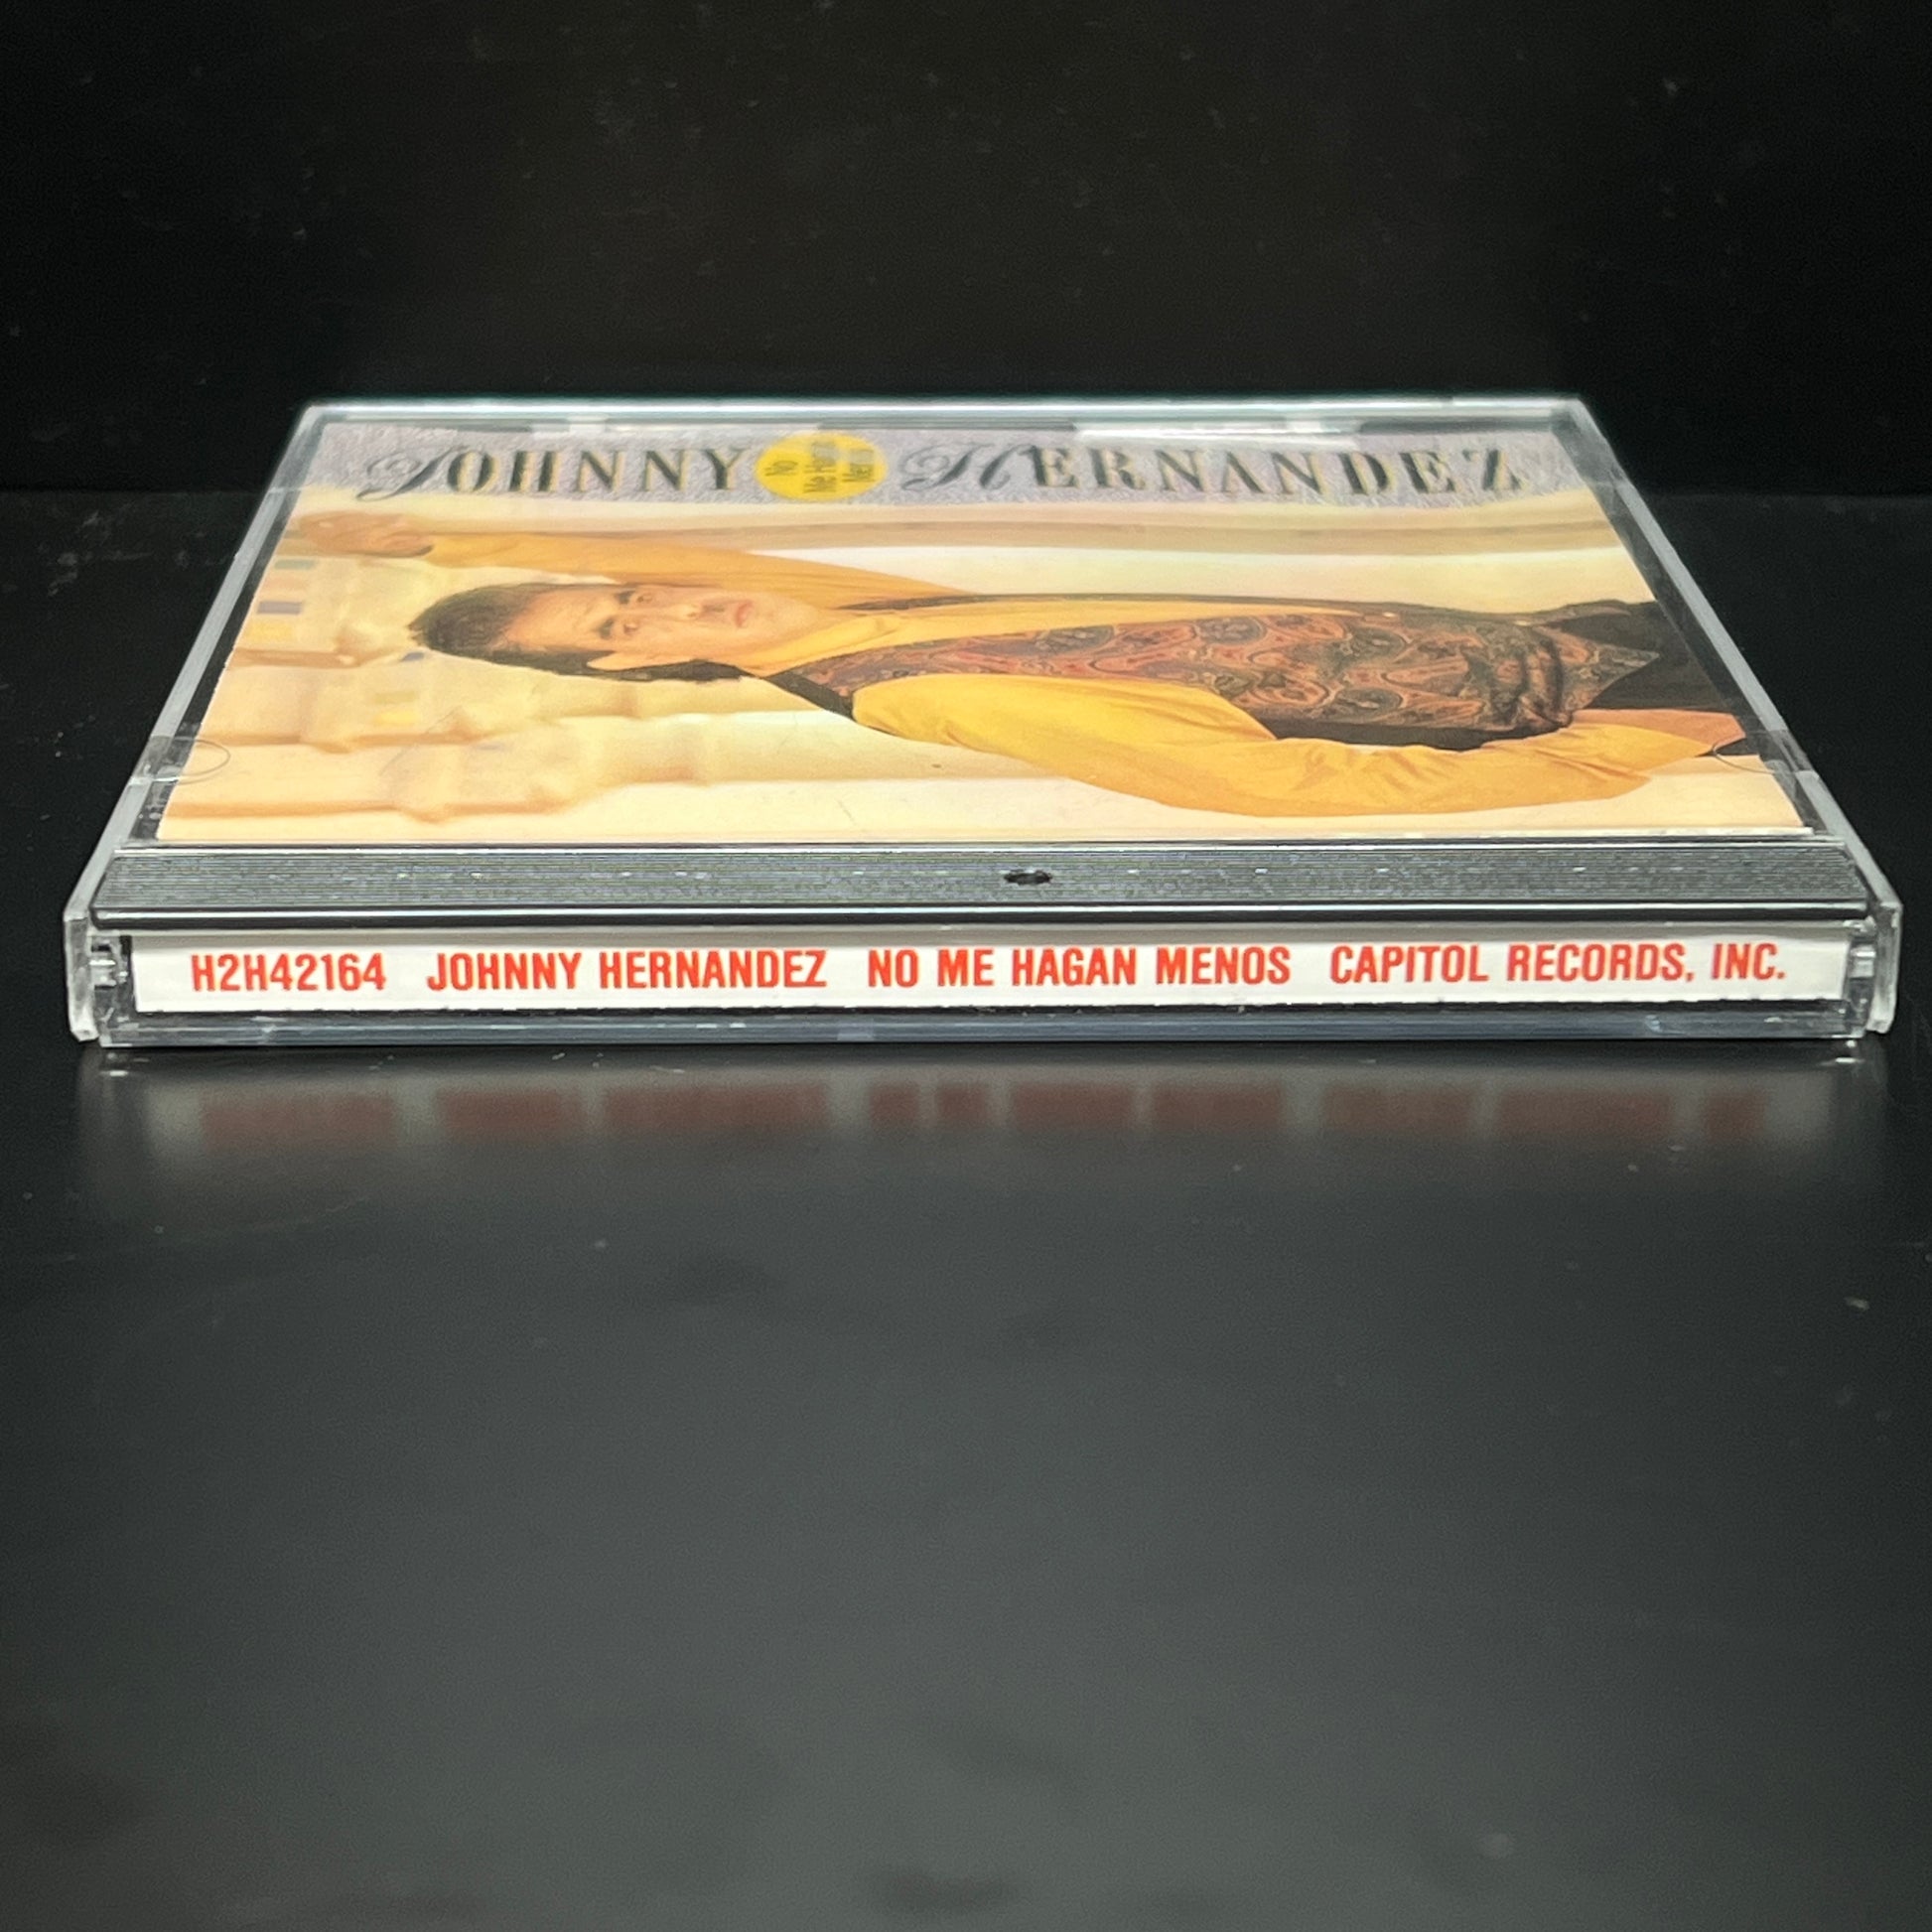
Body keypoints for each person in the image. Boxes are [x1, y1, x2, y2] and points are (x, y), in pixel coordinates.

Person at [292, 511, 1747, 819]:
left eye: (623, 592)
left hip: (1591, 621)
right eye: (623, 630)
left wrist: (439, 539)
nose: (658, 602)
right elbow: (1273, 785)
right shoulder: (920, 685)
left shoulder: (847, 612)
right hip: (1625, 702)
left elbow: (694, 561)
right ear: (642, 676)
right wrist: (1620, 753)